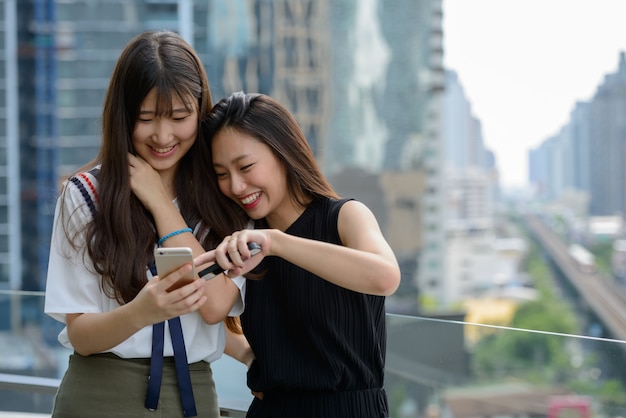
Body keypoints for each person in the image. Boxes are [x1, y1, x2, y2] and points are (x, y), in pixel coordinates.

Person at [44, 31, 252, 418]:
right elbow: (81, 335)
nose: (162, 136)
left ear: (201, 110)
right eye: (145, 119)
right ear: (123, 116)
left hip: (193, 396)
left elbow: (215, 307)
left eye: (179, 117)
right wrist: (140, 312)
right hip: (98, 395)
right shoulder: (86, 195)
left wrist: (159, 203)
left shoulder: (227, 197)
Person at [197, 91, 402, 418]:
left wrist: (277, 243)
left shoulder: (345, 217)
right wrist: (251, 357)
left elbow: (385, 277)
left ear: (283, 152)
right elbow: (200, 315)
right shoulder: (241, 240)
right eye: (222, 174)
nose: (236, 186)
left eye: (246, 166)